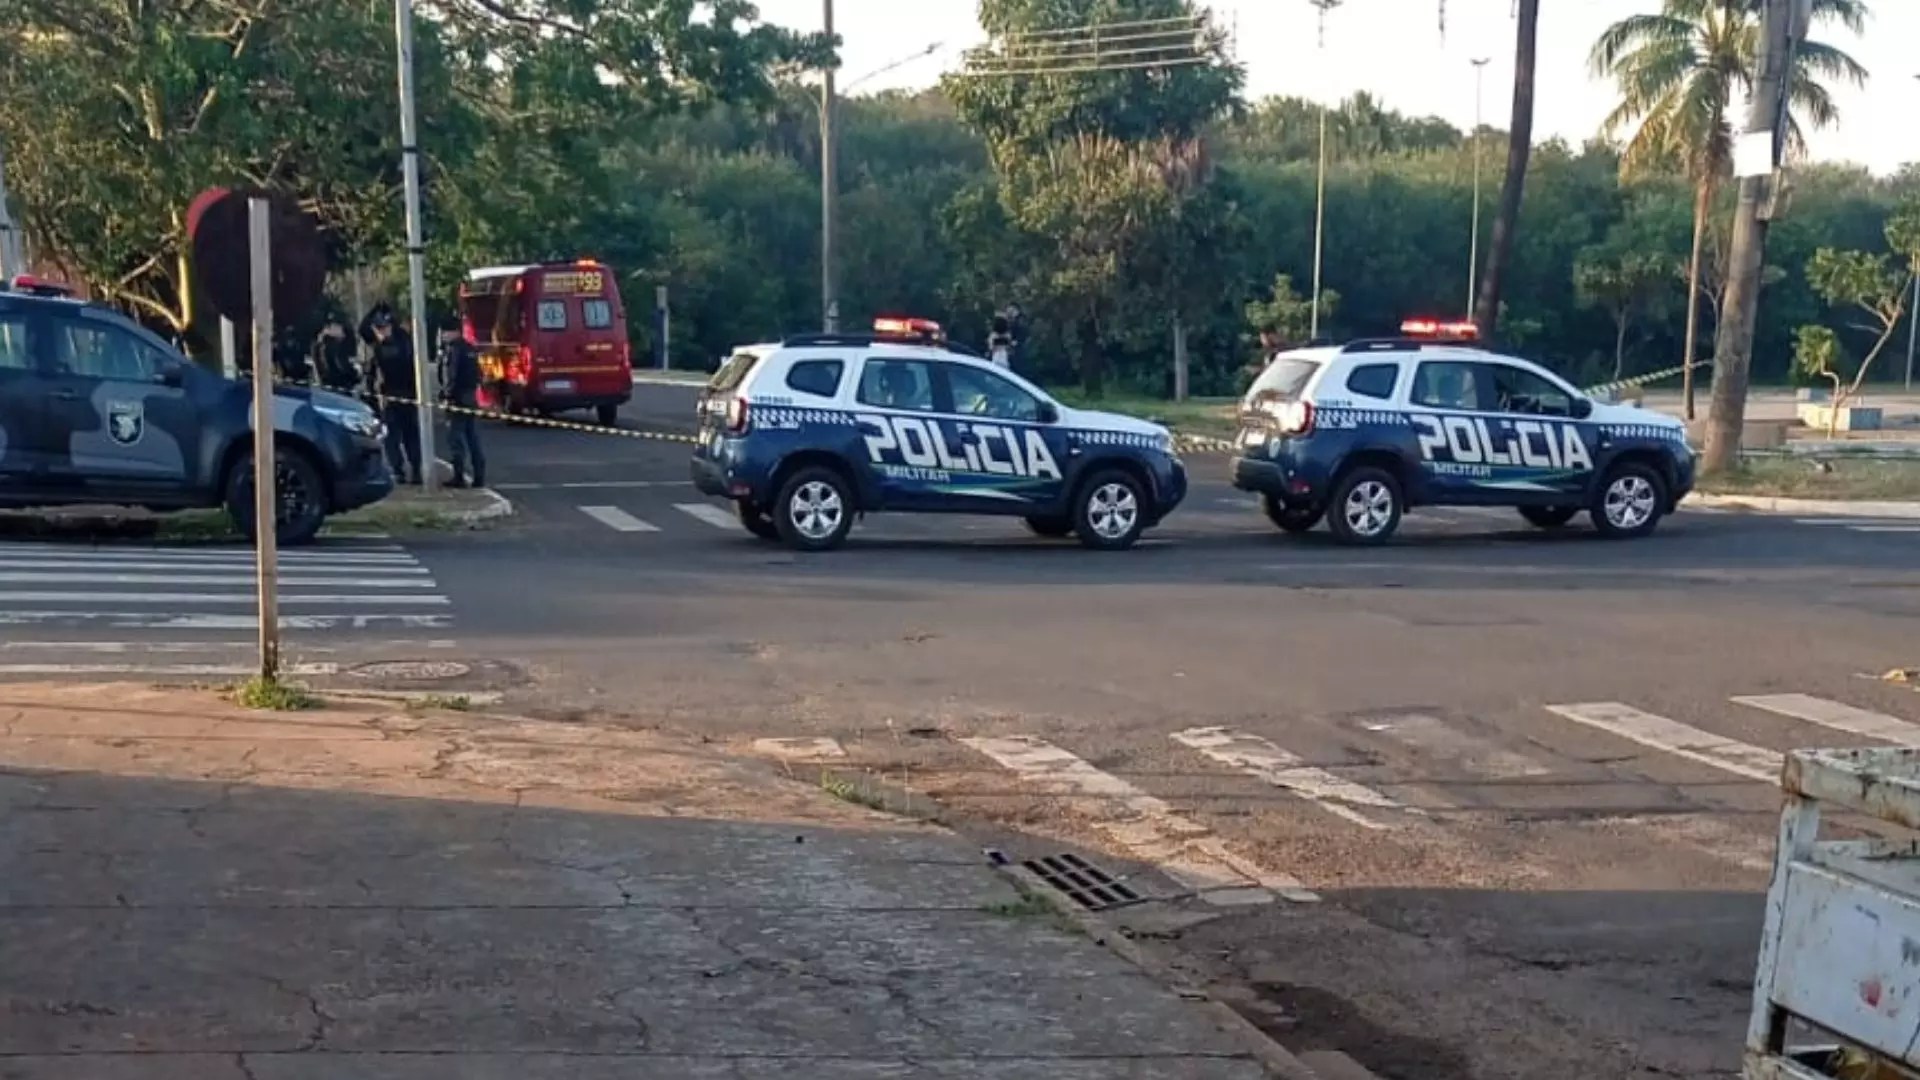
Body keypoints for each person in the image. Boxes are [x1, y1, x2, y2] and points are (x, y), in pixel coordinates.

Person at [361, 306, 423, 484]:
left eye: (381, 328)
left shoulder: (380, 349)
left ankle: (402, 471)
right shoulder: (405, 342)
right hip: (402, 397)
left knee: (396, 437)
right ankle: (409, 470)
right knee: (405, 436)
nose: (380, 332)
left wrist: (375, 310)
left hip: (392, 398)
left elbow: (371, 377)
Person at [437, 315, 486, 489]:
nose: (443, 335)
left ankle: (459, 476)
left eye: (445, 332)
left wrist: (447, 396)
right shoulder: (470, 348)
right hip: (470, 397)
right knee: (472, 437)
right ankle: (479, 476)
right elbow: (480, 374)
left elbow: (452, 375)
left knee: (455, 438)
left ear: (453, 332)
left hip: (457, 400)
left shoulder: (454, 350)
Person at [311, 317, 360, 395]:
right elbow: (339, 365)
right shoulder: (329, 345)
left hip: (335, 384)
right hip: (334, 383)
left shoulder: (321, 344)